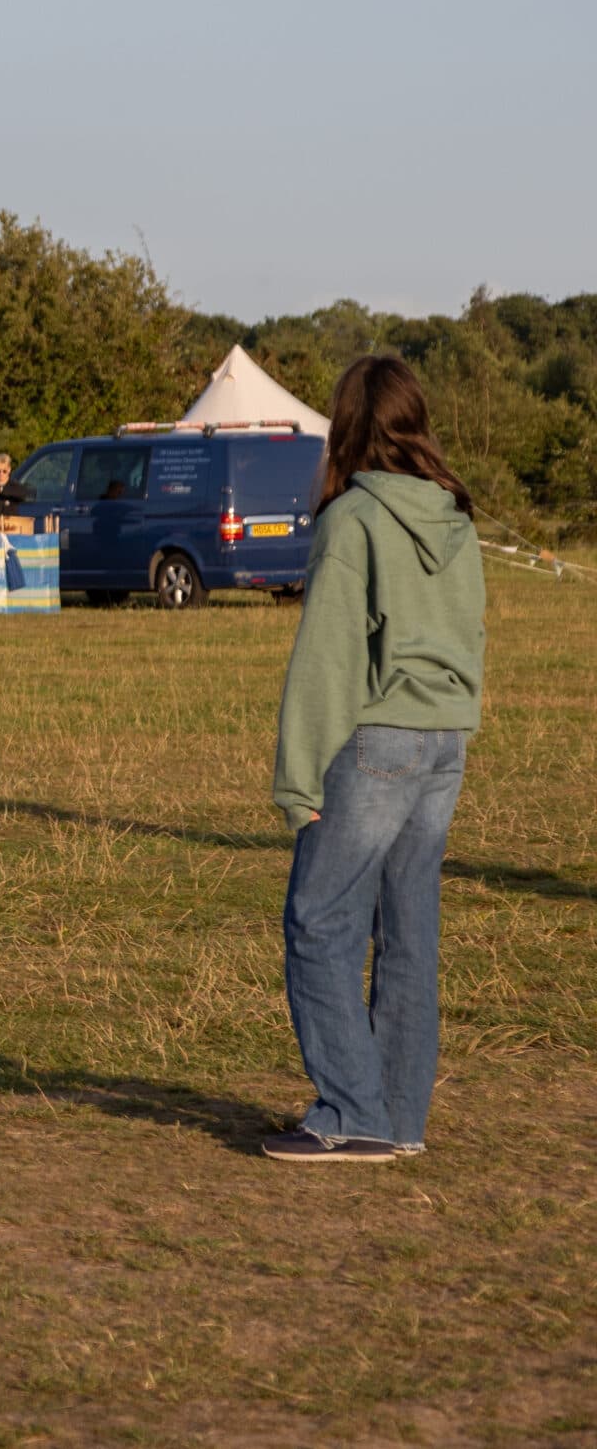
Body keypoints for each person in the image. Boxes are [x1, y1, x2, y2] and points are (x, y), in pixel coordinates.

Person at [264, 357, 483, 1163]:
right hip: (445, 742)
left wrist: (295, 780)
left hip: (378, 740)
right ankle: (396, 1118)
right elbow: (472, 633)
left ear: (348, 426)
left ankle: (352, 1111)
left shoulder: (352, 518)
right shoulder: (458, 517)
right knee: (407, 930)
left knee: (319, 920)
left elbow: (325, 659)